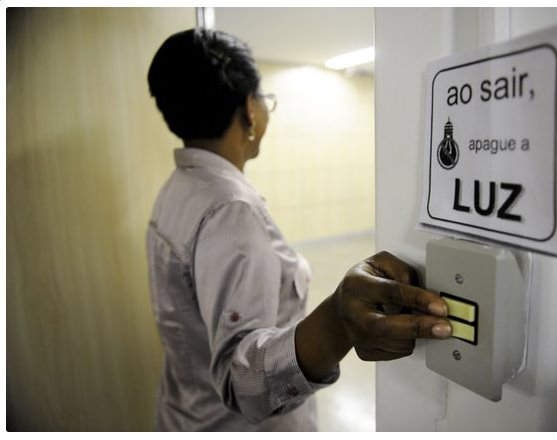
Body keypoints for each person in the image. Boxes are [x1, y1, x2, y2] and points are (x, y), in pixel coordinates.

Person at [146, 28, 452, 432]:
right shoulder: (230, 211)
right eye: (264, 100)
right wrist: (337, 321)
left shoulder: (178, 190)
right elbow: (245, 383)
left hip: (183, 414)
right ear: (250, 110)